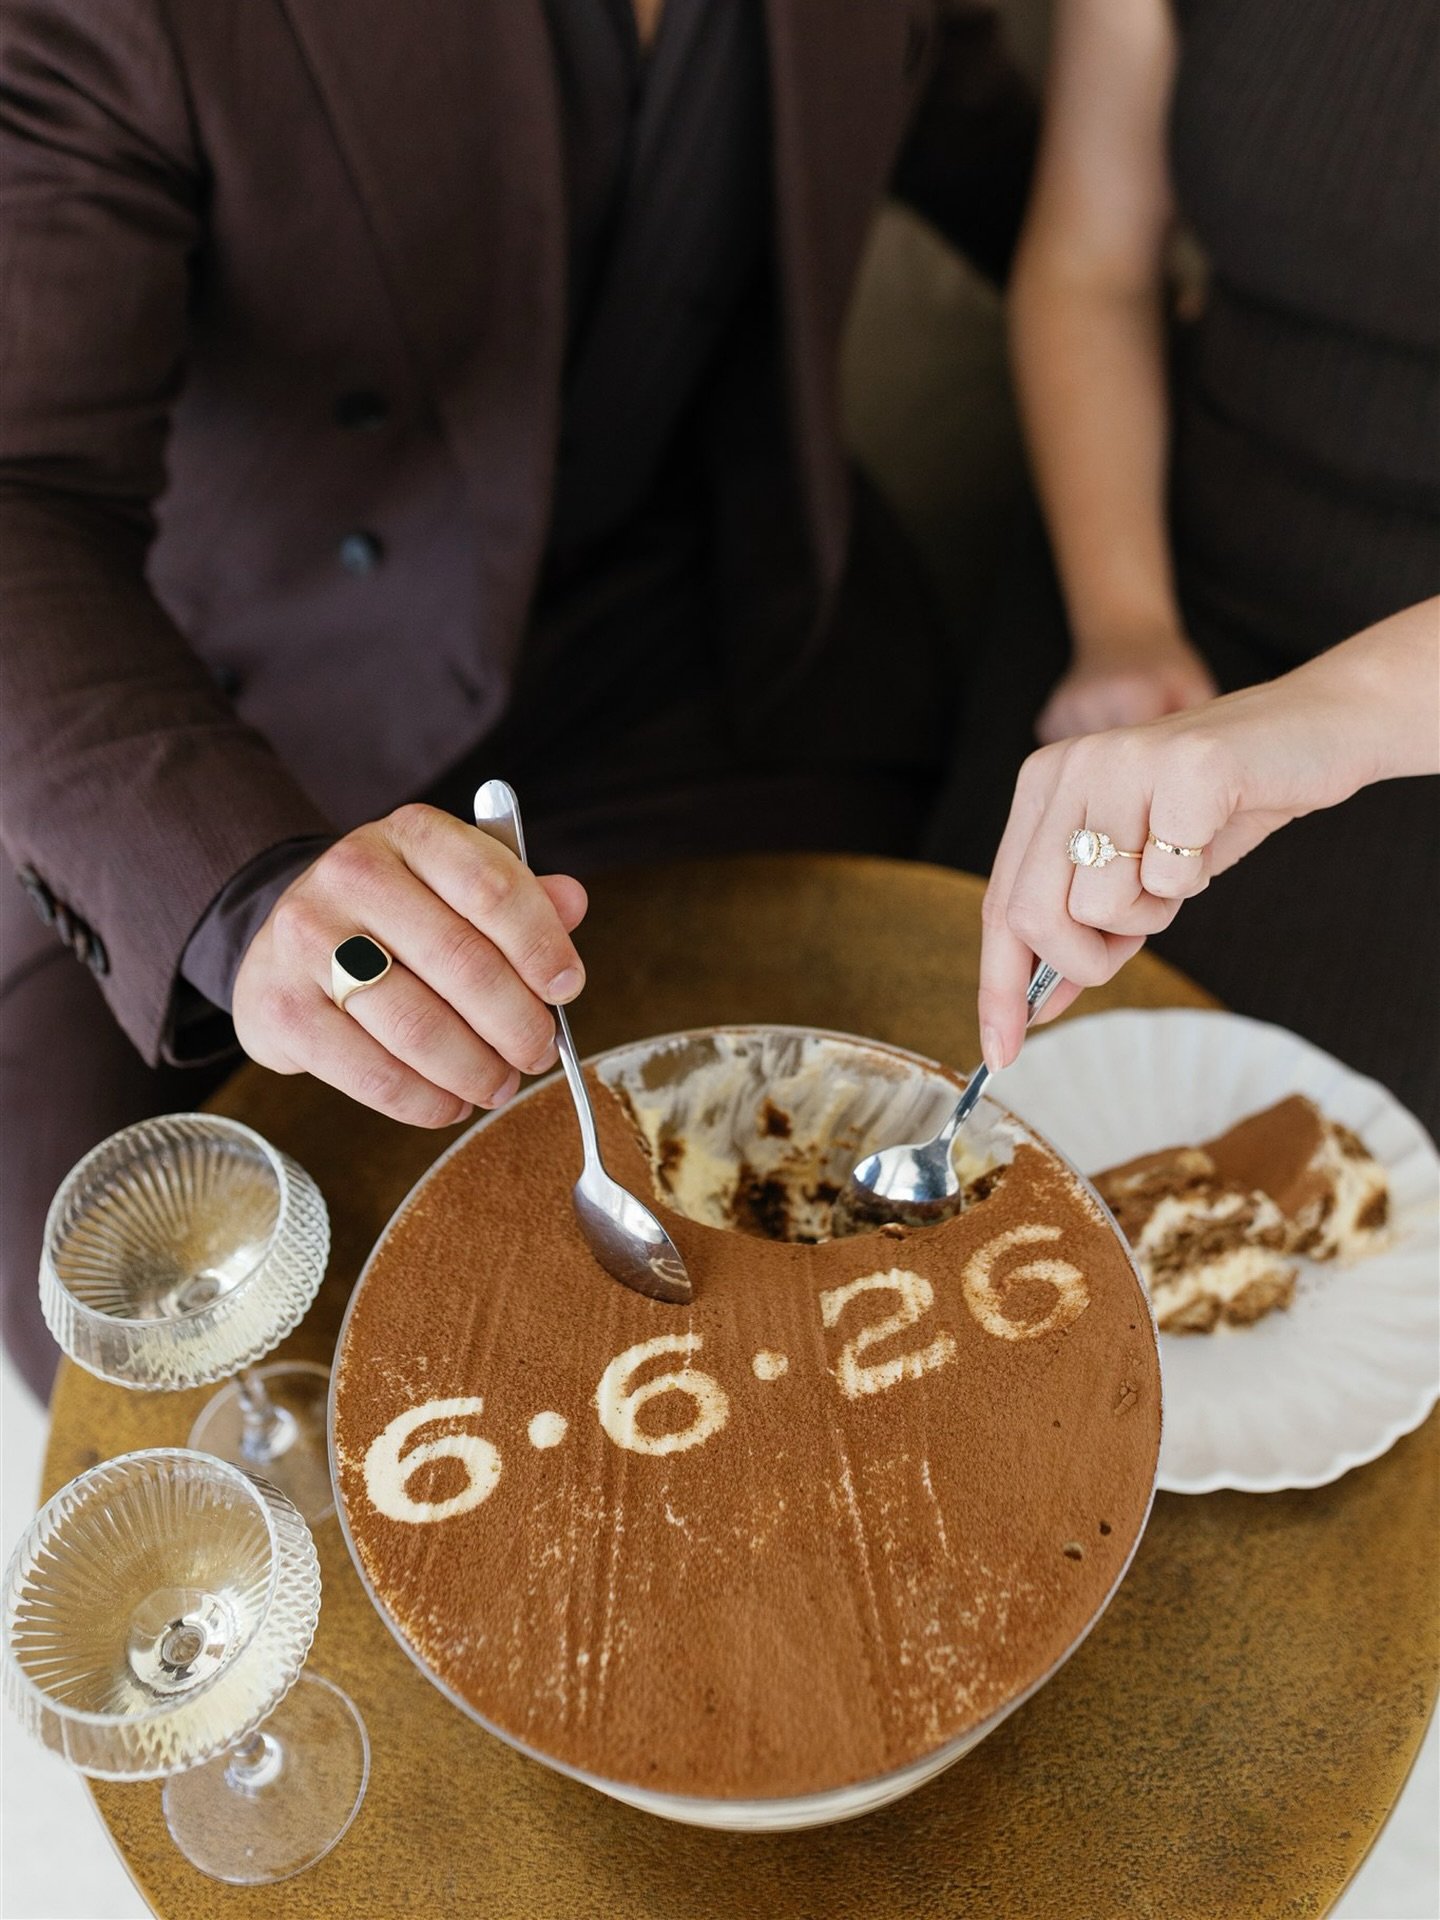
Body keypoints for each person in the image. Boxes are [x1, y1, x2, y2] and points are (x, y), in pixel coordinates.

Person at [0, 1, 1038, 1394]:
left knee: (850, 1294)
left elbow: (994, 138)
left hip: (707, 670)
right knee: (128, 1338)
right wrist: (244, 892)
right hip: (238, 731)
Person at [925, 0, 1439, 1122]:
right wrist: (1125, 625)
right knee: (947, 1073)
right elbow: (1090, 268)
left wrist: (1321, 719)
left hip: (1405, 712)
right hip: (1175, 571)